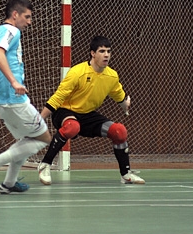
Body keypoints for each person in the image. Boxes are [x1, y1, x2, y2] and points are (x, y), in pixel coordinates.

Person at [37, 35, 145, 185]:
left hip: (87, 115)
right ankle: (45, 165)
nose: (106, 55)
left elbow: (119, 95)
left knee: (119, 131)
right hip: (65, 111)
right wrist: (39, 119)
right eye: (102, 51)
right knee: (72, 127)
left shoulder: (112, 76)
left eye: (108, 51)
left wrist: (125, 105)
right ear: (93, 53)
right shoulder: (77, 72)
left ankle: (126, 174)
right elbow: (58, 97)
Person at [0, 0, 52, 194]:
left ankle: (8, 184)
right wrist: (13, 81)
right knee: (44, 138)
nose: (29, 22)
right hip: (13, 98)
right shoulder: (12, 31)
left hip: (0, 99)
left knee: (26, 140)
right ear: (15, 14)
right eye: (27, 17)